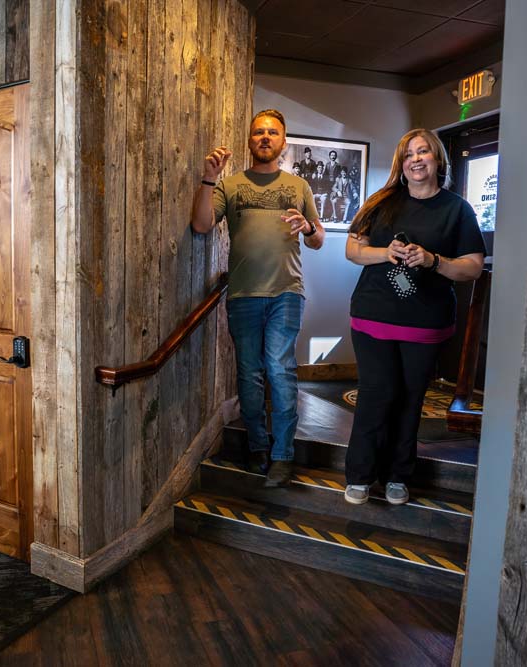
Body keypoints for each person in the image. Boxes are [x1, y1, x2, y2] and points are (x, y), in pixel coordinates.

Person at [342, 128, 485, 506]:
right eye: (408, 154)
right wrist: (385, 253)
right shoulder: (381, 201)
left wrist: (433, 260)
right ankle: (359, 475)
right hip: (373, 315)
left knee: (409, 399)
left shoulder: (458, 210)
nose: (415, 160)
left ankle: (397, 476)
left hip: (425, 323)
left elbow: (472, 266)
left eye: (423, 152)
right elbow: (353, 250)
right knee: (376, 394)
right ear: (401, 164)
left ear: (438, 159)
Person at [190, 109, 325, 487]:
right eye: (259, 132)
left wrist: (308, 226)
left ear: (283, 141)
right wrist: (209, 178)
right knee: (249, 374)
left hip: (287, 293)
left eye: (273, 132)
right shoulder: (230, 185)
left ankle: (282, 455)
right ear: (250, 140)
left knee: (279, 369)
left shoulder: (298, 186)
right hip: (243, 295)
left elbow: (318, 240)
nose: (265, 137)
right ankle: (257, 447)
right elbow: (201, 224)